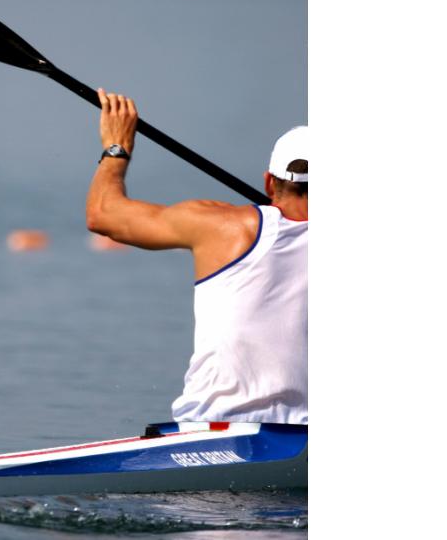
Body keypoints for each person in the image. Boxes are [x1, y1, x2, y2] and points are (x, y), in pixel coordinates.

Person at [85, 89, 307, 425]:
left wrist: (116, 148)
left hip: (216, 430)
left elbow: (102, 215)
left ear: (268, 183)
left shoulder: (223, 226)